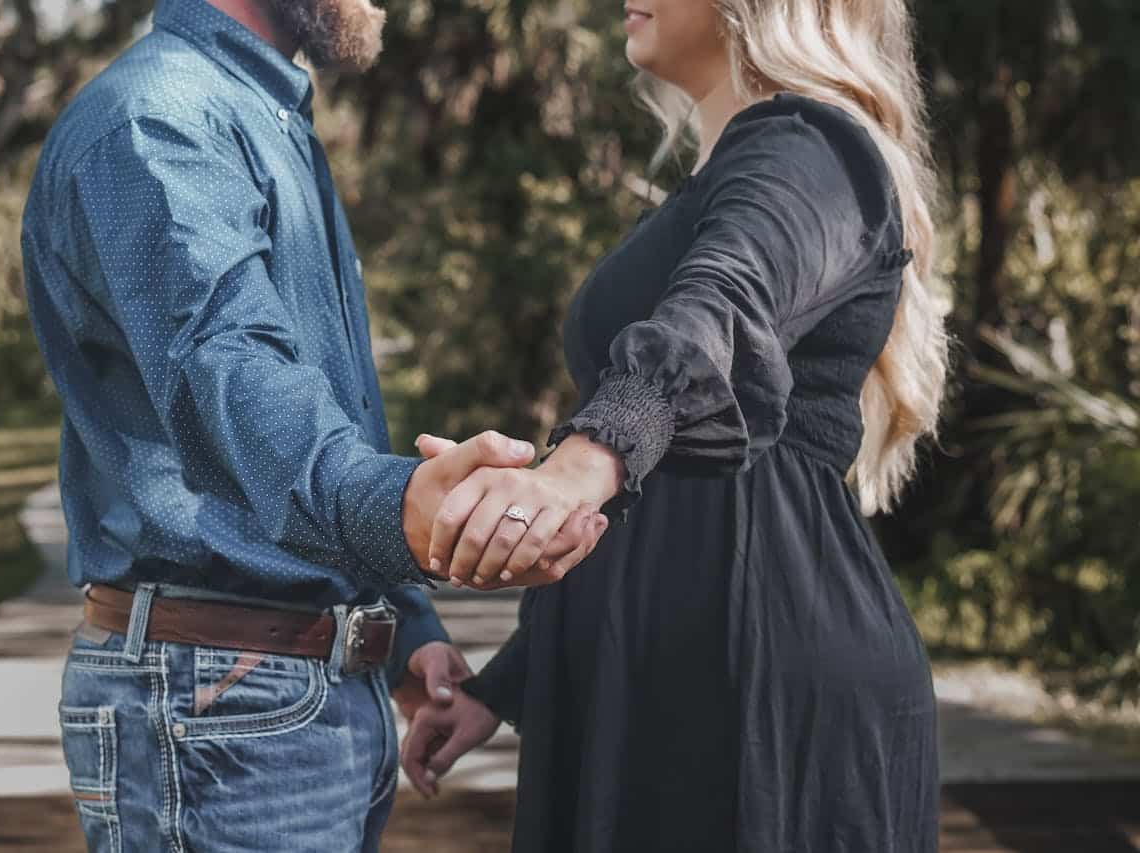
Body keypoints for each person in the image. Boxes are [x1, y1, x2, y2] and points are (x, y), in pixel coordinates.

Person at [19, 0, 607, 848]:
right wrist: (406, 510)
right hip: (221, 703)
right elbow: (238, 381)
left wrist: (401, 630)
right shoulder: (157, 124)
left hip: (280, 697)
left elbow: (325, 408)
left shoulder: (256, 113)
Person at [402, 0, 949, 850]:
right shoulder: (724, 179)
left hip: (757, 680)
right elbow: (645, 505)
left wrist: (581, 462)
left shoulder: (811, 147)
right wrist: (504, 685)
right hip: (671, 677)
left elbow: (721, 310)